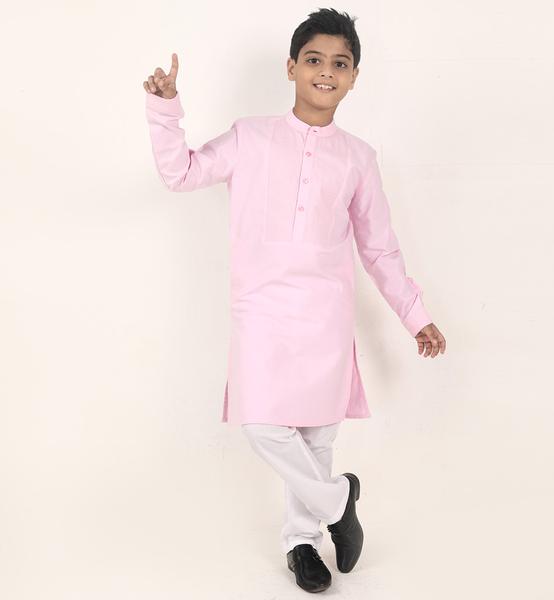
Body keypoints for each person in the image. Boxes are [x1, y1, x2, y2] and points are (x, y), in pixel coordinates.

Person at [143, 7, 446, 593]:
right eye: (314, 60)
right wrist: (164, 110)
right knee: (262, 425)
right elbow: (181, 173)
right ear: (291, 68)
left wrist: (416, 316)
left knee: (316, 438)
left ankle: (302, 543)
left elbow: (379, 248)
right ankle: (339, 503)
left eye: (340, 63)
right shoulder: (250, 136)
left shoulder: (358, 157)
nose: (326, 72)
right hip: (260, 310)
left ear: (354, 76)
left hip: (325, 315)